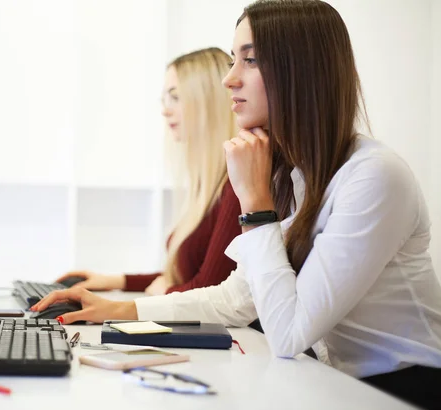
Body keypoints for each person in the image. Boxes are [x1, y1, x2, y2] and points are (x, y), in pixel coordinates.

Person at [33, 1, 441, 407]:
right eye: (234, 60)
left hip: (404, 389)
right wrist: (116, 310)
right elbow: (233, 299)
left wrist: (256, 202)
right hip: (331, 381)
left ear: (300, 73)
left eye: (251, 60)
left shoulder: (373, 177)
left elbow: (289, 333)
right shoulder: (291, 173)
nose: (229, 79)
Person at [56, 48, 242, 296]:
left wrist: (164, 293)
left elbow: (208, 291)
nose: (166, 110)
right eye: (165, 100)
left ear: (207, 101)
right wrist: (115, 280)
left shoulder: (235, 185)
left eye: (176, 97)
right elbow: (186, 279)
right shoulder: (211, 185)